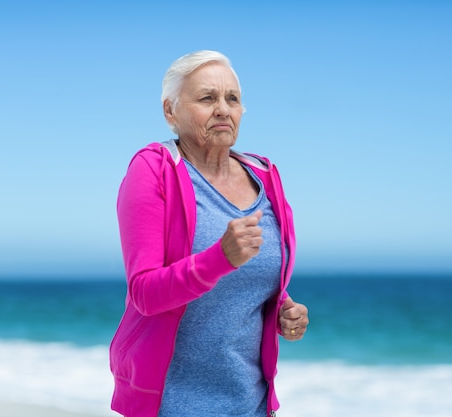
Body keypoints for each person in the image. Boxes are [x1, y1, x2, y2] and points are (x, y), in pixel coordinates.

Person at [109, 50, 309, 417]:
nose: (223, 109)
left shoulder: (265, 176)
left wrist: (283, 309)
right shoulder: (154, 171)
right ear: (170, 111)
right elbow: (145, 293)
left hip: (252, 404)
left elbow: (253, 277)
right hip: (169, 405)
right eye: (207, 98)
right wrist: (220, 258)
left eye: (232, 99)